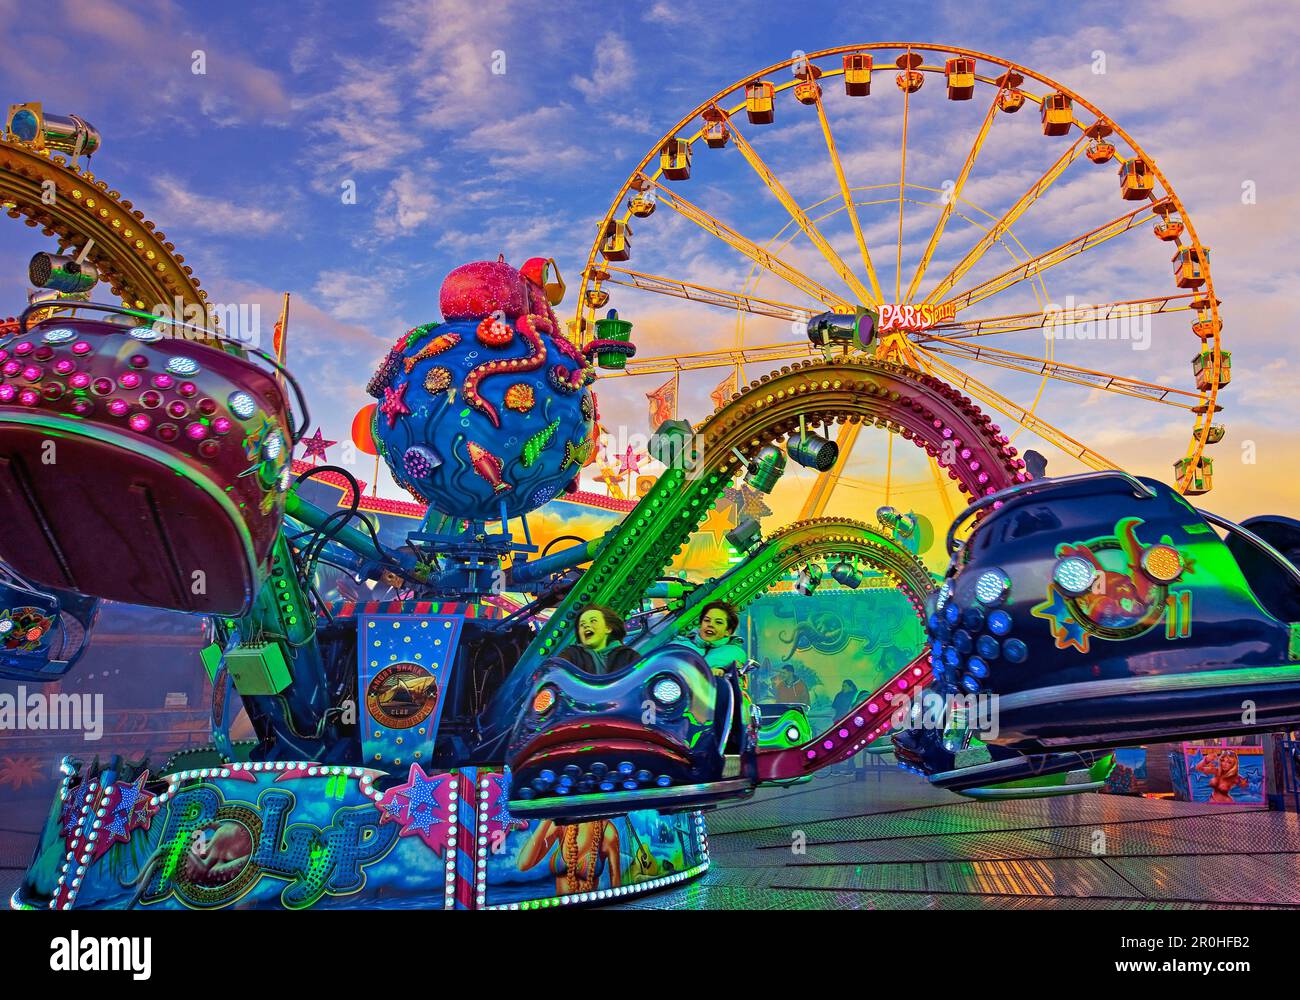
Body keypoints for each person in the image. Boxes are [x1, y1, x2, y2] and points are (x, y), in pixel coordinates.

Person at [557, 604, 641, 675]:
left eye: (593, 621)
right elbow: (556, 672)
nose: (586, 626)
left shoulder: (628, 656)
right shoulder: (571, 654)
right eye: (582, 624)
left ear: (608, 628)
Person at [679, 600, 747, 677]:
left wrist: (719, 671)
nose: (710, 625)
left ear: (728, 631)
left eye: (718, 622)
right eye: (707, 620)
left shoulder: (735, 652)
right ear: (700, 624)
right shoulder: (680, 645)